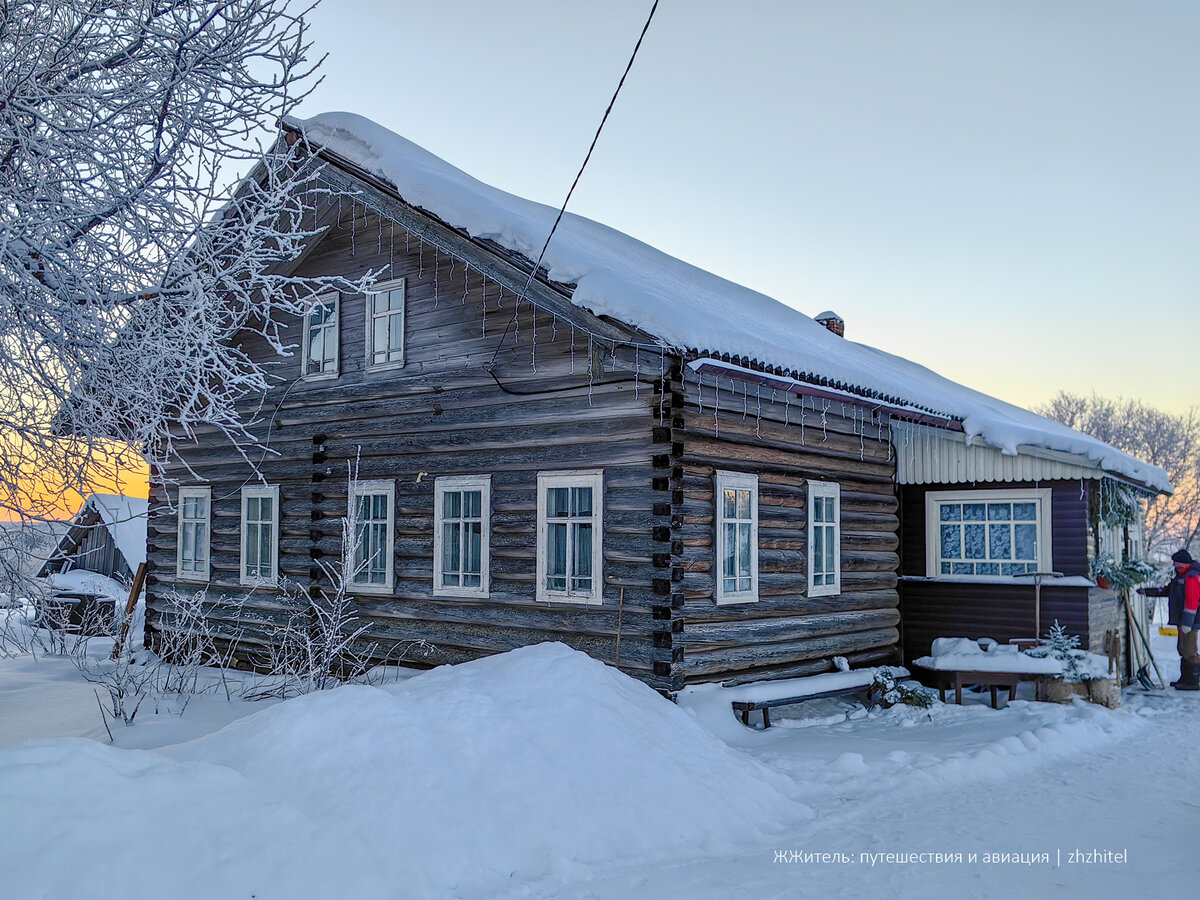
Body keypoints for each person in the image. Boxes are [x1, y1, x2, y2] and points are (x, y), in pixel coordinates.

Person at [1139, 549, 1200, 691]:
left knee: (1189, 650)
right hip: (1183, 619)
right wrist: (1148, 592)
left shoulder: (1191, 577)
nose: (1175, 567)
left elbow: (1192, 601)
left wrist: (1187, 623)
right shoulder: (1181, 576)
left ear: (1184, 564)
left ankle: (1193, 681)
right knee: (1182, 649)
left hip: (1191, 620)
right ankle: (1185, 678)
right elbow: (1167, 590)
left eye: (1177, 565)